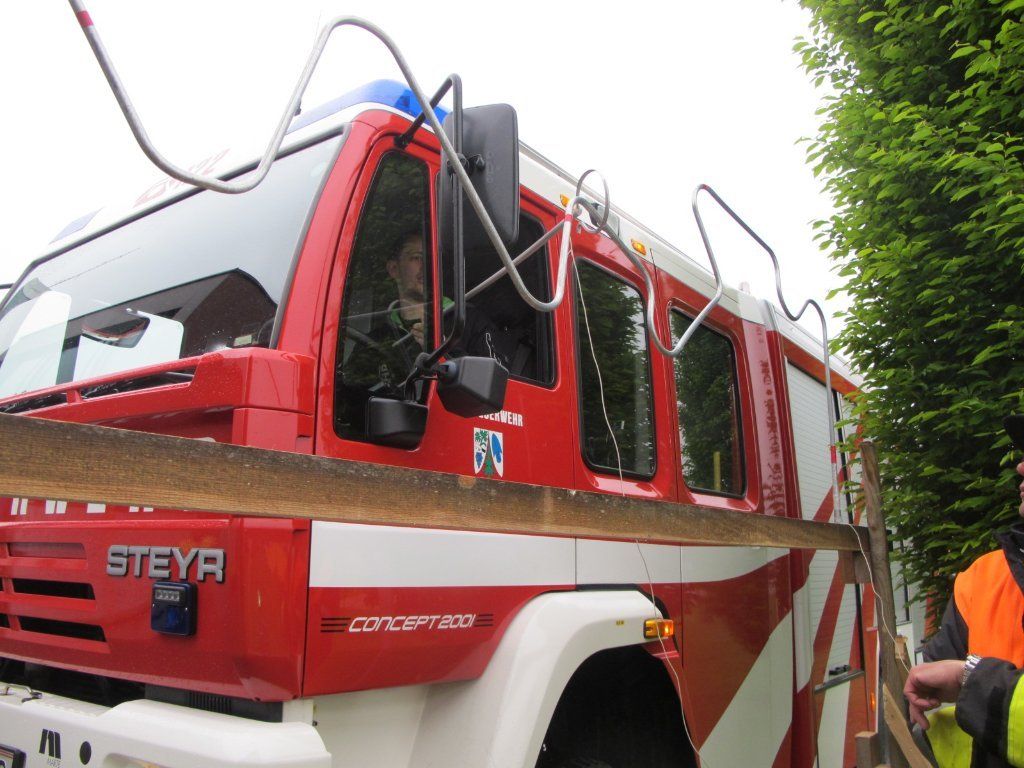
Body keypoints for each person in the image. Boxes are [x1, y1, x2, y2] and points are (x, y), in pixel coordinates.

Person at [904, 415, 1024, 767]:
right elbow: (926, 697)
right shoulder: (983, 577)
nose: (1020, 467)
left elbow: (958, 678)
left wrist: (969, 678)